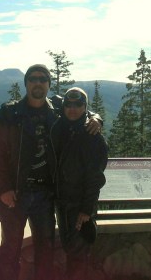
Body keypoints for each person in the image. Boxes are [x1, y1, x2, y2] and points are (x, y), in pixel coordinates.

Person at [0, 65, 101, 280]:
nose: (38, 83)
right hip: (16, 194)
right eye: (33, 79)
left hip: (45, 195)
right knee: (10, 249)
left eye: (43, 79)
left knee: (45, 250)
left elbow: (81, 108)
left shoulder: (57, 108)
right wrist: (3, 188)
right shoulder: (10, 113)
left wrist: (96, 118)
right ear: (26, 83)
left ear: (48, 84)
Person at [51, 87, 108, 280]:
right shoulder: (63, 125)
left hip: (79, 207)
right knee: (71, 249)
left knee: (78, 253)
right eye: (69, 104)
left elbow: (95, 178)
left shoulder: (92, 136)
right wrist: (96, 116)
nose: (73, 108)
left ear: (85, 107)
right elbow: (55, 99)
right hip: (63, 202)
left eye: (78, 105)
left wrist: (86, 210)